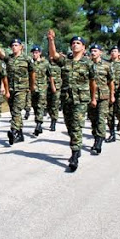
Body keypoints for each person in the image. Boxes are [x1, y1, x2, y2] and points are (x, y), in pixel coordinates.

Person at [47, 29, 92, 171]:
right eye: (73, 43)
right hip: (66, 98)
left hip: (81, 99)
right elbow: (53, 55)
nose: (75, 45)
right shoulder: (65, 60)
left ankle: (74, 156)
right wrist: (51, 40)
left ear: (83, 47)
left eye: (78, 43)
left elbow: (93, 82)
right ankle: (77, 146)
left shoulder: (88, 64)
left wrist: (94, 97)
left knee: (77, 125)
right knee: (69, 125)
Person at [0, 38, 35, 144]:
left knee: (17, 110)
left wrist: (32, 86)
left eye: (16, 45)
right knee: (14, 112)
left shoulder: (27, 59)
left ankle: (13, 131)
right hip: (11, 89)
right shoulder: (9, 59)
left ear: (21, 47)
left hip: (22, 89)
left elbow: (32, 73)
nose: (14, 47)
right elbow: (2, 55)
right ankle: (20, 133)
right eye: (12, 45)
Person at [87, 43, 114, 156]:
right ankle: (95, 137)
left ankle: (99, 141)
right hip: (89, 96)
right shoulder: (86, 64)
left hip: (103, 96)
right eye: (92, 51)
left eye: (95, 51)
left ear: (100, 53)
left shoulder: (107, 66)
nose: (93, 53)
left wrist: (112, 95)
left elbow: (111, 82)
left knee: (101, 119)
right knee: (92, 119)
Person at [30, 45, 53, 136]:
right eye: (33, 53)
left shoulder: (45, 63)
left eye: (36, 53)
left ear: (40, 53)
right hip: (33, 88)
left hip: (42, 87)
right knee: (35, 106)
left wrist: (52, 86)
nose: (35, 54)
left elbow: (50, 75)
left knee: (40, 105)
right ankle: (38, 123)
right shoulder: (30, 63)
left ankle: (39, 124)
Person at [46, 56, 62, 132]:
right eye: (50, 56)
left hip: (57, 88)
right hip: (47, 87)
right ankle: (51, 116)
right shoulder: (47, 65)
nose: (51, 57)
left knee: (55, 105)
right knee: (48, 105)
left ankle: (53, 121)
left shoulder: (60, 65)